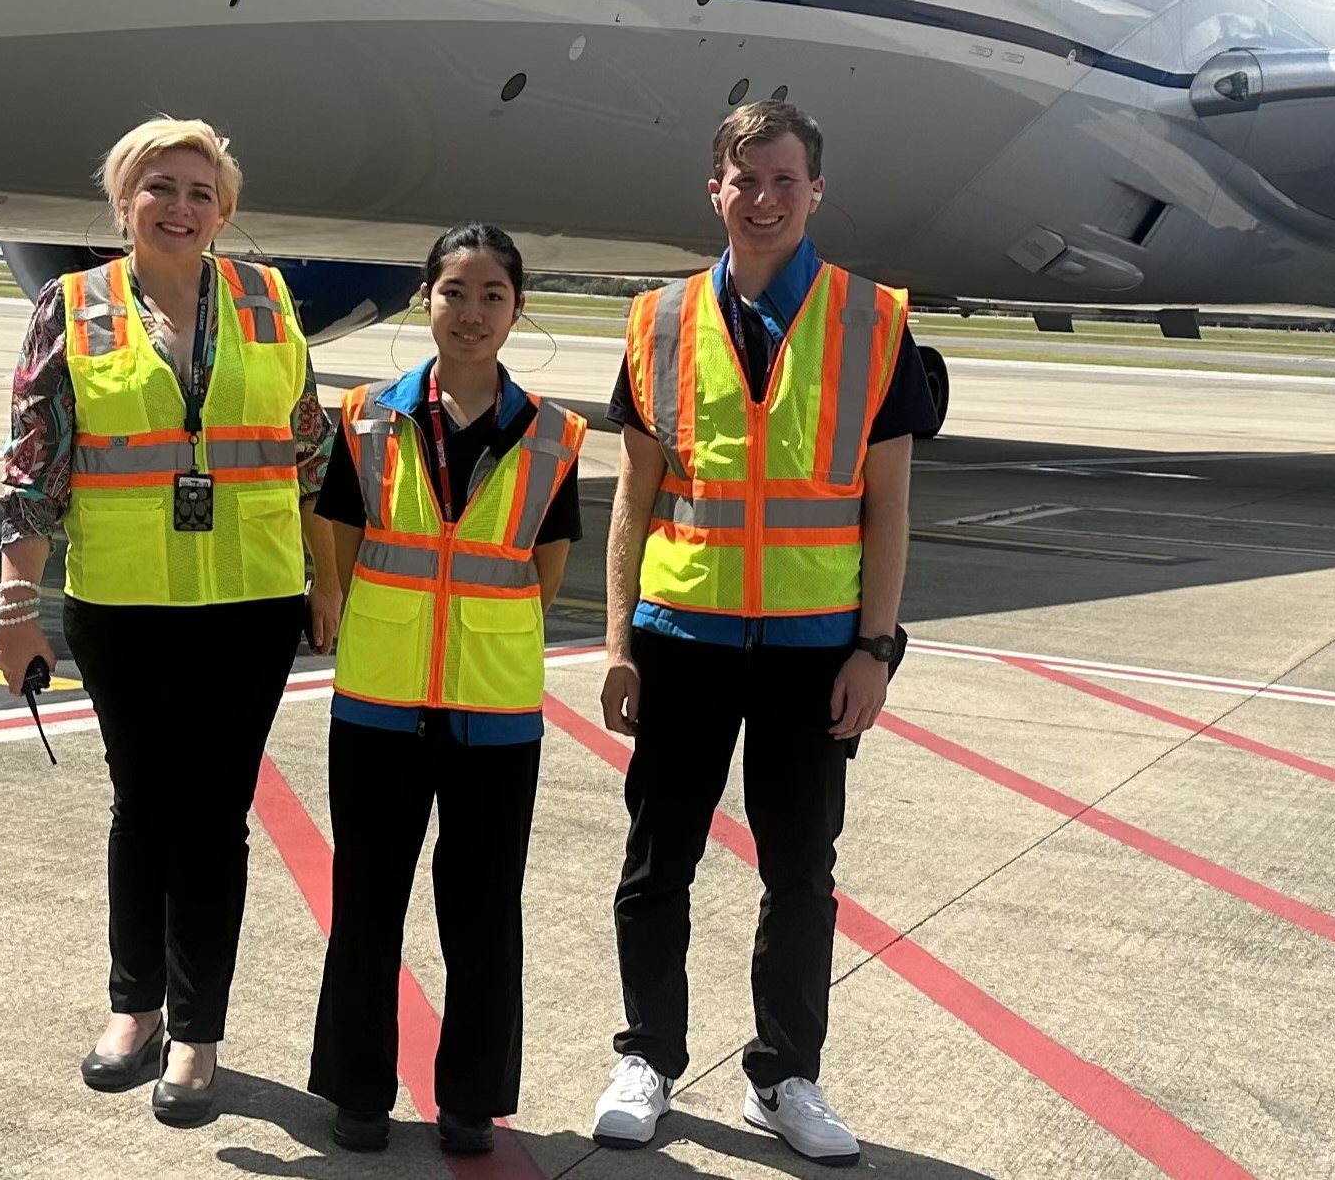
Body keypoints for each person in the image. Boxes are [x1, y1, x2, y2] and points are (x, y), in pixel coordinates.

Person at [585, 101, 937, 1165]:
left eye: (784, 179)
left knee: (799, 872)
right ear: (715, 190)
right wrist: (614, 641)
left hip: (811, 650)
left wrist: (875, 649)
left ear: (814, 190)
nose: (764, 198)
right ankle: (647, 1053)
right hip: (681, 635)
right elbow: (633, 499)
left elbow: (888, 504)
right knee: (658, 861)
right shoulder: (656, 320)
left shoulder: (874, 319)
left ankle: (783, 1075)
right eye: (744, 179)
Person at [0, 118, 340, 1129]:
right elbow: (33, 469)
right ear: (122, 200)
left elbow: (310, 452)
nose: (178, 206)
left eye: (198, 189)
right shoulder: (72, 306)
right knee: (142, 807)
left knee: (214, 818)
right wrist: (14, 606)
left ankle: (198, 1029)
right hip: (124, 601)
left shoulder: (270, 302)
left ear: (223, 208)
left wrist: (325, 581)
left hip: (250, 601)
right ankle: (132, 1005)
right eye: (158, 186)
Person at [306, 225, 587, 1159]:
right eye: (454, 291)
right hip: (379, 700)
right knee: (368, 900)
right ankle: (356, 1088)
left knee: (482, 908)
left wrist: (477, 634)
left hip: (495, 708)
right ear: (425, 298)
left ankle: (470, 1098)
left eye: (492, 295)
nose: (471, 312)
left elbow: (545, 566)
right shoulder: (366, 418)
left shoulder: (554, 434)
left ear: (516, 309)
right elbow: (339, 545)